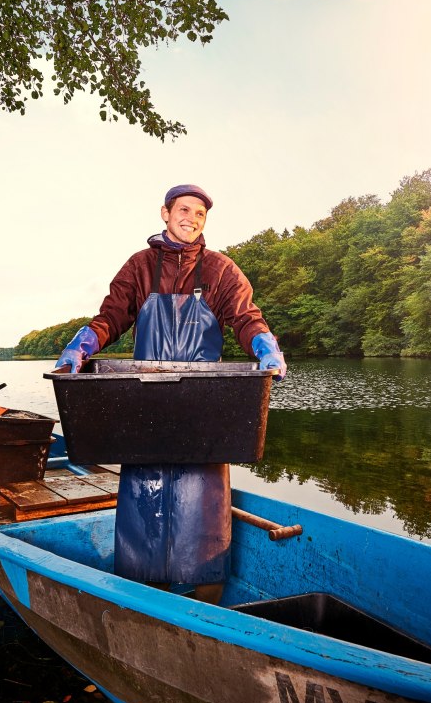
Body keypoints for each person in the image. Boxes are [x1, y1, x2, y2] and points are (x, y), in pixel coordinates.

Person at [55, 184, 286, 603]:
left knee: (206, 515)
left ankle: (208, 602)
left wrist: (265, 346)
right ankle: (150, 599)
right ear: (165, 213)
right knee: (143, 511)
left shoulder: (220, 270)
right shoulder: (139, 267)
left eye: (200, 214)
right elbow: (112, 316)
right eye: (184, 210)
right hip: (146, 407)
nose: (192, 219)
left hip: (202, 409)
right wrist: (82, 344)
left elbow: (246, 317)